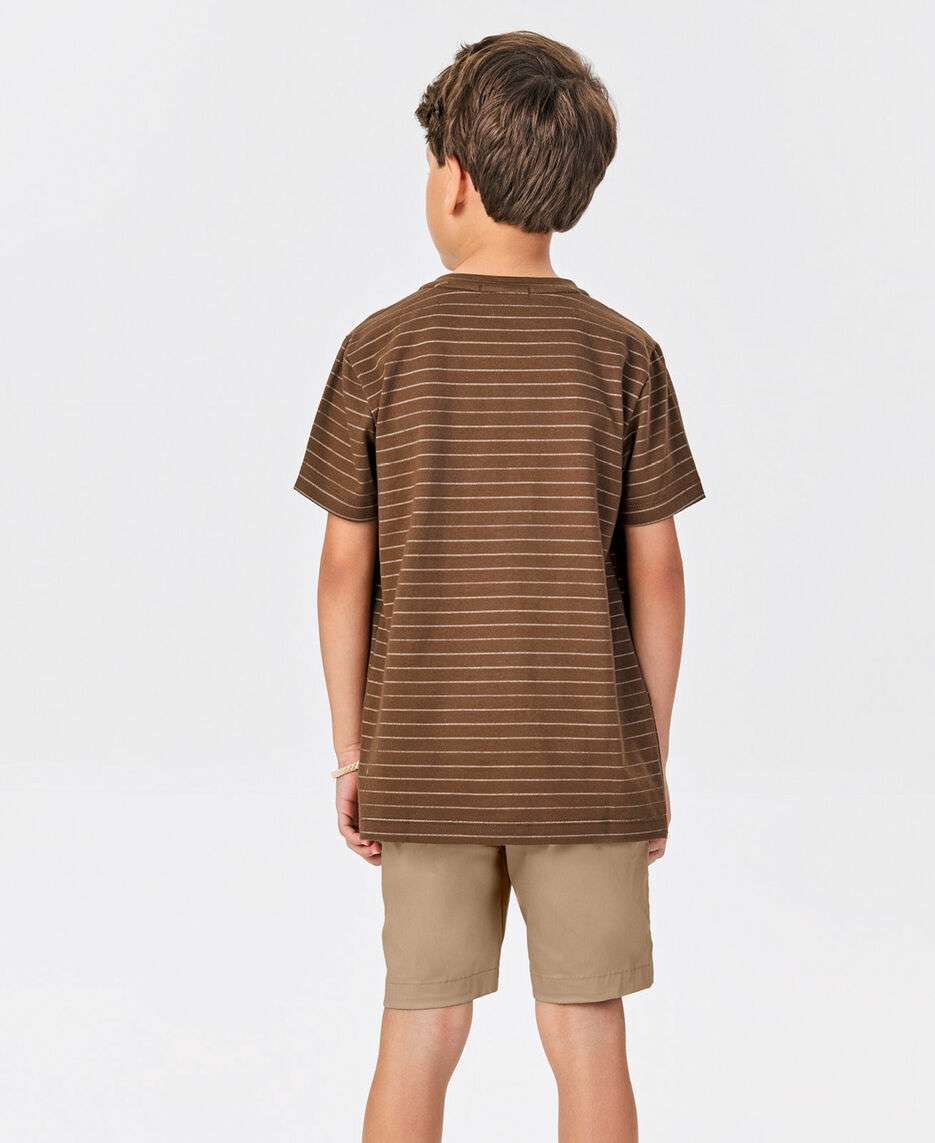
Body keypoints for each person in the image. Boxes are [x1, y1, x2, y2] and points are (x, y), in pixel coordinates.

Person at [294, 31, 705, 1143]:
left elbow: (344, 567)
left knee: (419, 1029)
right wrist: (648, 761)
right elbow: (659, 571)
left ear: (455, 180)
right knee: (588, 1034)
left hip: (425, 763)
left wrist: (353, 752)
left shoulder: (378, 351)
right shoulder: (624, 354)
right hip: (586, 769)